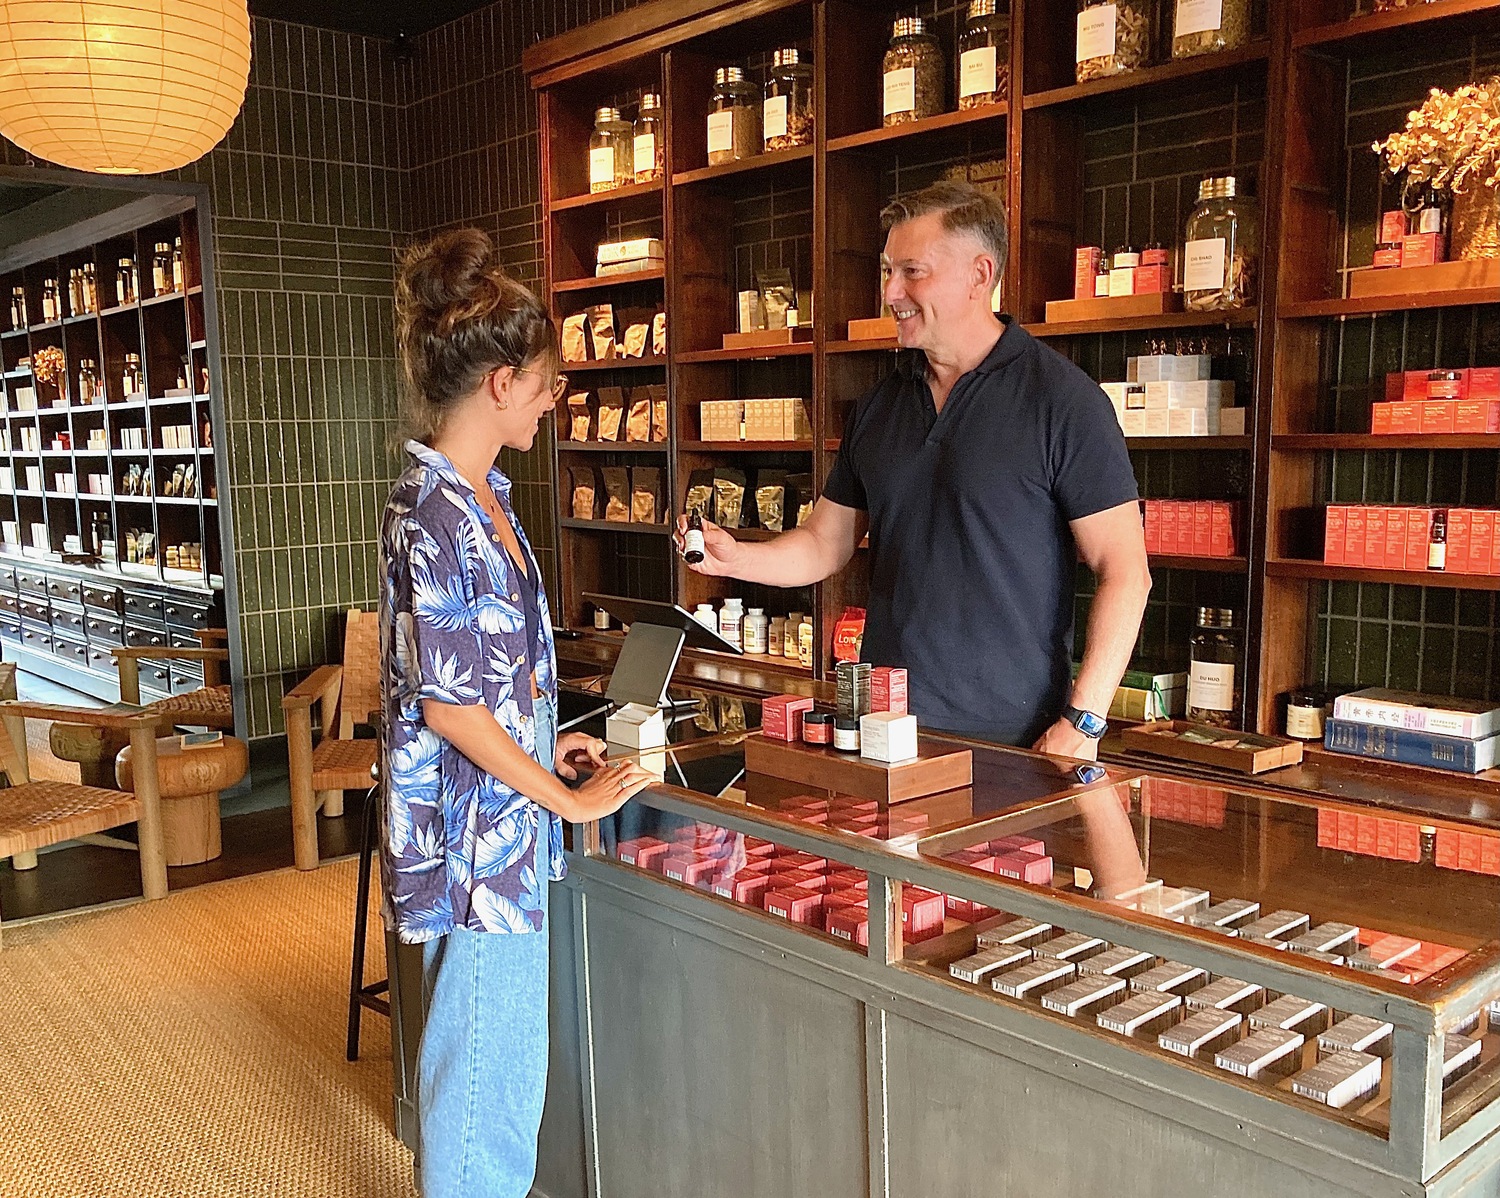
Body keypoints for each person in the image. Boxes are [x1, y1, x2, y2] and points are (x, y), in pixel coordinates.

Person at [678, 181, 1150, 757]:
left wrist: (1085, 721)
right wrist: (739, 556)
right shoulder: (880, 406)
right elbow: (826, 544)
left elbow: (1126, 571)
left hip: (1014, 744)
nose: (890, 292)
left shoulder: (1063, 402)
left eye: (911, 271)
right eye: (886, 271)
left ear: (981, 275)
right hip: (882, 731)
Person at [379, 227, 655, 1198]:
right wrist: (567, 800)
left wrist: (553, 740)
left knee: (502, 1062)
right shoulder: (439, 510)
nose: (556, 395)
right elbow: (453, 711)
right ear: (499, 381)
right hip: (477, 838)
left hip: (505, 818)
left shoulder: (484, 496)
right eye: (545, 379)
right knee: (483, 1068)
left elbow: (488, 681)